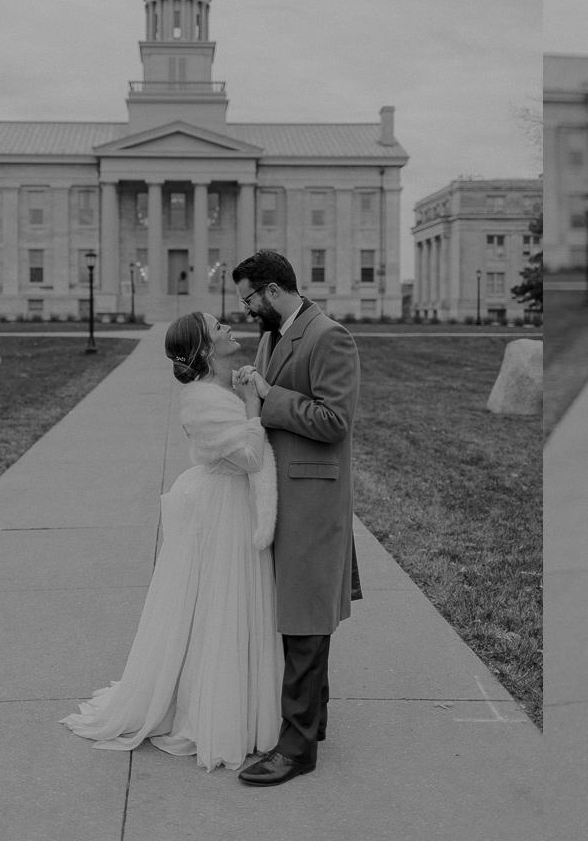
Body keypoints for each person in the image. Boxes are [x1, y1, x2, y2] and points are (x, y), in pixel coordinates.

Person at [62, 311, 283, 771]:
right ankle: (216, 715)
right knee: (219, 607)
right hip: (223, 511)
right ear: (205, 347)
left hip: (234, 506)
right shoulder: (201, 398)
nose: (228, 328)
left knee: (234, 607)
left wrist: (250, 394)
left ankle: (244, 705)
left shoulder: (226, 385)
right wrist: (253, 409)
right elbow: (248, 457)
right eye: (218, 326)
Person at [232, 250, 362, 787]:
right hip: (281, 495)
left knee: (304, 623)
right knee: (298, 619)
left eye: (248, 298)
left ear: (272, 290)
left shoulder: (329, 336)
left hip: (312, 500)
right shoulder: (271, 337)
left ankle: (296, 748)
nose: (245, 309)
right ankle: (314, 723)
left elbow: (334, 421)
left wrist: (268, 396)